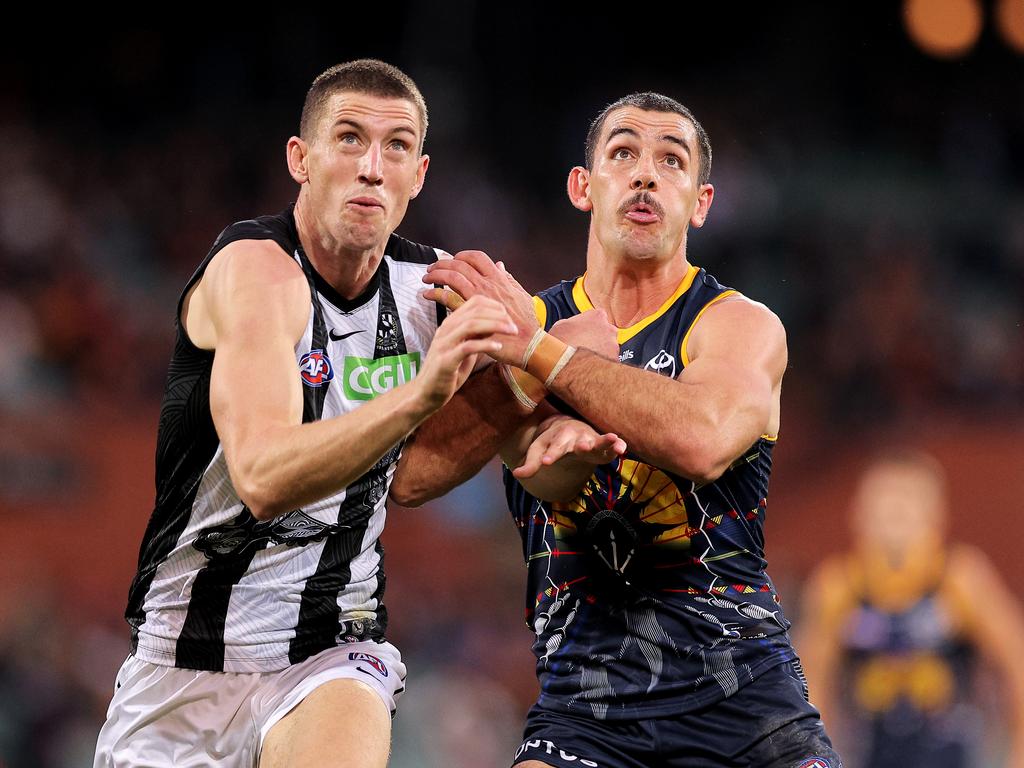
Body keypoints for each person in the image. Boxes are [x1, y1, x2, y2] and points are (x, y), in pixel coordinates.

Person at [93, 59, 517, 768]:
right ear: (301, 158)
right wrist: (422, 394)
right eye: (349, 139)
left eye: (398, 147)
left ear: (419, 173)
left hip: (332, 648)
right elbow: (260, 475)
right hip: (180, 667)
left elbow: (410, 477)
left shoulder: (437, 288)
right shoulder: (254, 271)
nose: (372, 168)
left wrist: (535, 389)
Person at [415, 92, 842, 767]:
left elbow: (701, 441)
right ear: (583, 187)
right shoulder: (526, 321)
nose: (645, 174)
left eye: (671, 160)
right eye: (623, 153)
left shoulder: (737, 324)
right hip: (585, 712)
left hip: (747, 706)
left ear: (700, 203)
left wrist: (541, 355)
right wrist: (528, 390)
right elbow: (416, 476)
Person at [799, 450, 1024, 768]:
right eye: (885, 503)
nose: (896, 514)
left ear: (937, 515)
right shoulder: (838, 586)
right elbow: (810, 683)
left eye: (908, 503)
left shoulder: (960, 579)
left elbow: (1017, 660)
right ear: (858, 513)